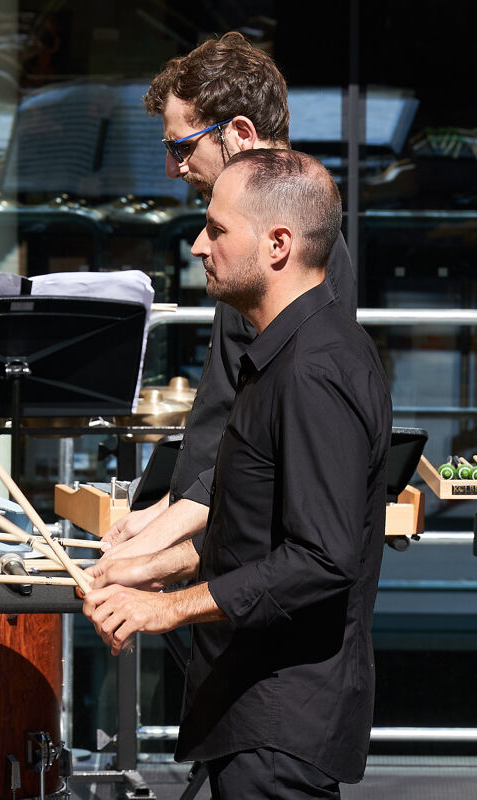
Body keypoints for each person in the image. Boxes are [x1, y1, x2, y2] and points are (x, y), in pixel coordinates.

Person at [83, 149, 391, 798]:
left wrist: (166, 611)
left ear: (278, 244)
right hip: (253, 712)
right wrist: (152, 564)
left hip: (281, 723)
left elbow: (320, 557)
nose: (198, 245)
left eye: (217, 230)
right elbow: (257, 533)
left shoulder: (314, 369)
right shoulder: (283, 353)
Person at [94, 32, 357, 565]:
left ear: (239, 133)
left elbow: (269, 454)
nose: (173, 168)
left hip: (250, 573)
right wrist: (160, 514)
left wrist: (161, 547)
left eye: (182, 146)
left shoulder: (289, 257)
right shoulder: (250, 244)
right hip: (215, 540)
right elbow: (235, 425)